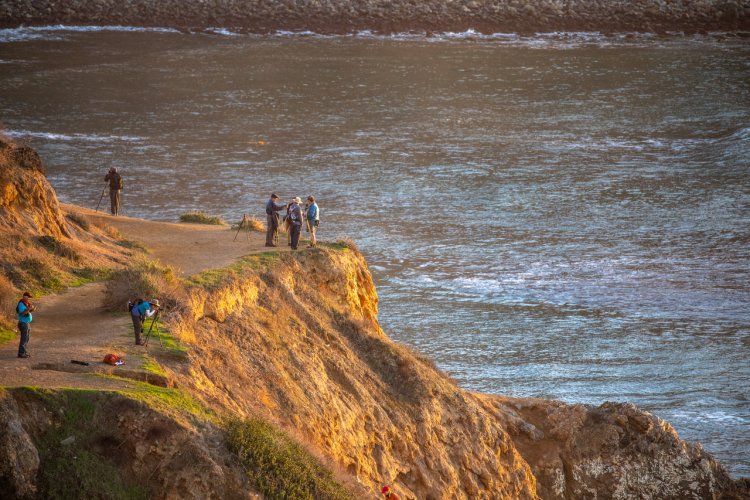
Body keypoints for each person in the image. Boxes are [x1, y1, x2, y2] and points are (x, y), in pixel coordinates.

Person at [16, 292, 35, 358]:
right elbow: (22, 313)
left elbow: (27, 312)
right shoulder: (21, 304)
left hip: (26, 323)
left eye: (29, 297)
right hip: (23, 323)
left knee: (26, 339)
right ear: (24, 296)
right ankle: (21, 353)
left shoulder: (26, 303)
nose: (28, 298)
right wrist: (28, 309)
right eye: (27, 297)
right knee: (24, 339)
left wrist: (32, 309)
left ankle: (23, 352)